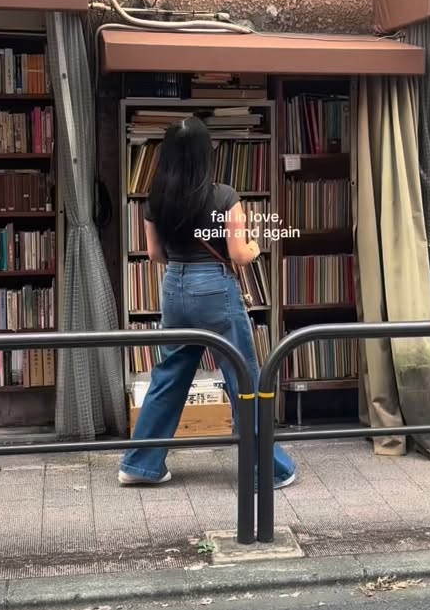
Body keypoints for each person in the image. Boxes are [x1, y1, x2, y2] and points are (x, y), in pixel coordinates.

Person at [118, 115, 297, 489]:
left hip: (174, 287)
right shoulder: (223, 196)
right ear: (205, 154)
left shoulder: (156, 199)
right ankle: (269, 468)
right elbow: (239, 253)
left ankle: (141, 463)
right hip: (214, 290)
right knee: (243, 377)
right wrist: (254, 245)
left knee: (169, 376)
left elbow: (155, 254)